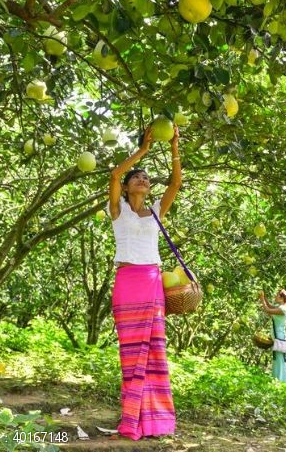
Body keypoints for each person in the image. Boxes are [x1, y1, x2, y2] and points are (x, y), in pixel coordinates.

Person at [107, 124, 181, 440]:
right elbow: (112, 175)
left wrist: (175, 146)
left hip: (152, 281)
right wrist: (143, 150)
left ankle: (154, 421)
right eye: (137, 176)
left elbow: (176, 183)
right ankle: (131, 419)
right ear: (126, 188)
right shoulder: (116, 209)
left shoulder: (155, 212)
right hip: (127, 282)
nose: (143, 179)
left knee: (154, 352)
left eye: (147, 177)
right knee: (131, 353)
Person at [258, 289, 286, 382]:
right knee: (278, 358)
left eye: (277, 295)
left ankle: (282, 380)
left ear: (282, 298)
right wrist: (264, 297)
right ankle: (278, 379)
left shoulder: (282, 309)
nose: (275, 297)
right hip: (278, 337)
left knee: (280, 359)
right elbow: (270, 306)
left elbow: (267, 310)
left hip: (280, 337)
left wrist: (262, 299)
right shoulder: (281, 307)